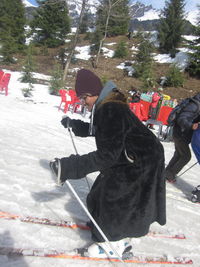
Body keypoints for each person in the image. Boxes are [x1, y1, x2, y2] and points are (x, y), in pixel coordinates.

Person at [50, 69, 166, 258]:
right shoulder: (107, 104)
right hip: (135, 154)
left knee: (114, 195)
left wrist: (68, 167)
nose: (82, 102)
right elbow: (104, 131)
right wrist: (75, 124)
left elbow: (107, 156)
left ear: (91, 94)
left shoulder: (110, 108)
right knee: (100, 190)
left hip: (142, 159)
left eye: (83, 98)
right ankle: (112, 230)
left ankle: (112, 242)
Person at [165, 93, 200, 183]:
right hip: (181, 133)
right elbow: (182, 118)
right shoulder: (195, 105)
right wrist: (191, 125)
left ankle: (166, 173)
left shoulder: (196, 103)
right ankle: (170, 174)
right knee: (186, 156)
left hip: (180, 133)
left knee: (178, 154)